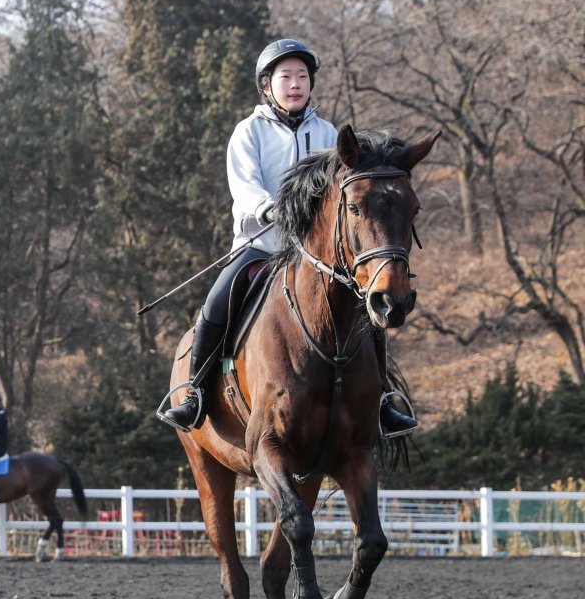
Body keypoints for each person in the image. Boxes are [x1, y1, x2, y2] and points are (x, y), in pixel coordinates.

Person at [159, 38, 419, 437]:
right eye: (286, 77)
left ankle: (382, 400)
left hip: (317, 254)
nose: (295, 83)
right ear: (267, 86)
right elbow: (243, 186)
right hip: (262, 245)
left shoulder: (329, 132)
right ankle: (194, 391)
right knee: (216, 303)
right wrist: (269, 208)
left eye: (302, 76)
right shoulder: (247, 132)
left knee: (367, 310)